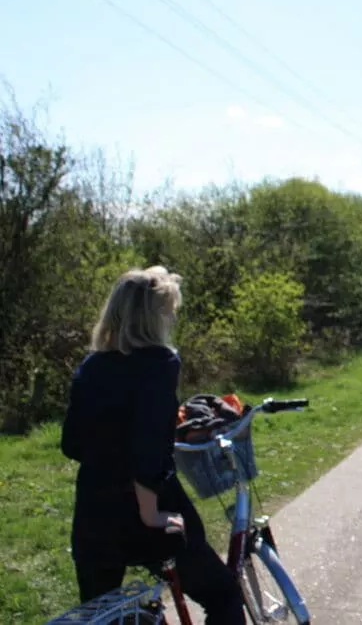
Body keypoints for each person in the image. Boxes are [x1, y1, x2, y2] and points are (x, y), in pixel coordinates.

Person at [60, 265, 245, 624]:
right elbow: (148, 451)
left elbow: (72, 444)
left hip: (94, 514)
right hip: (148, 512)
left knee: (106, 617)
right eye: (169, 311)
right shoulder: (159, 364)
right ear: (152, 316)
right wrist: (151, 514)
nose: (172, 318)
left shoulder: (91, 366)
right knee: (222, 595)